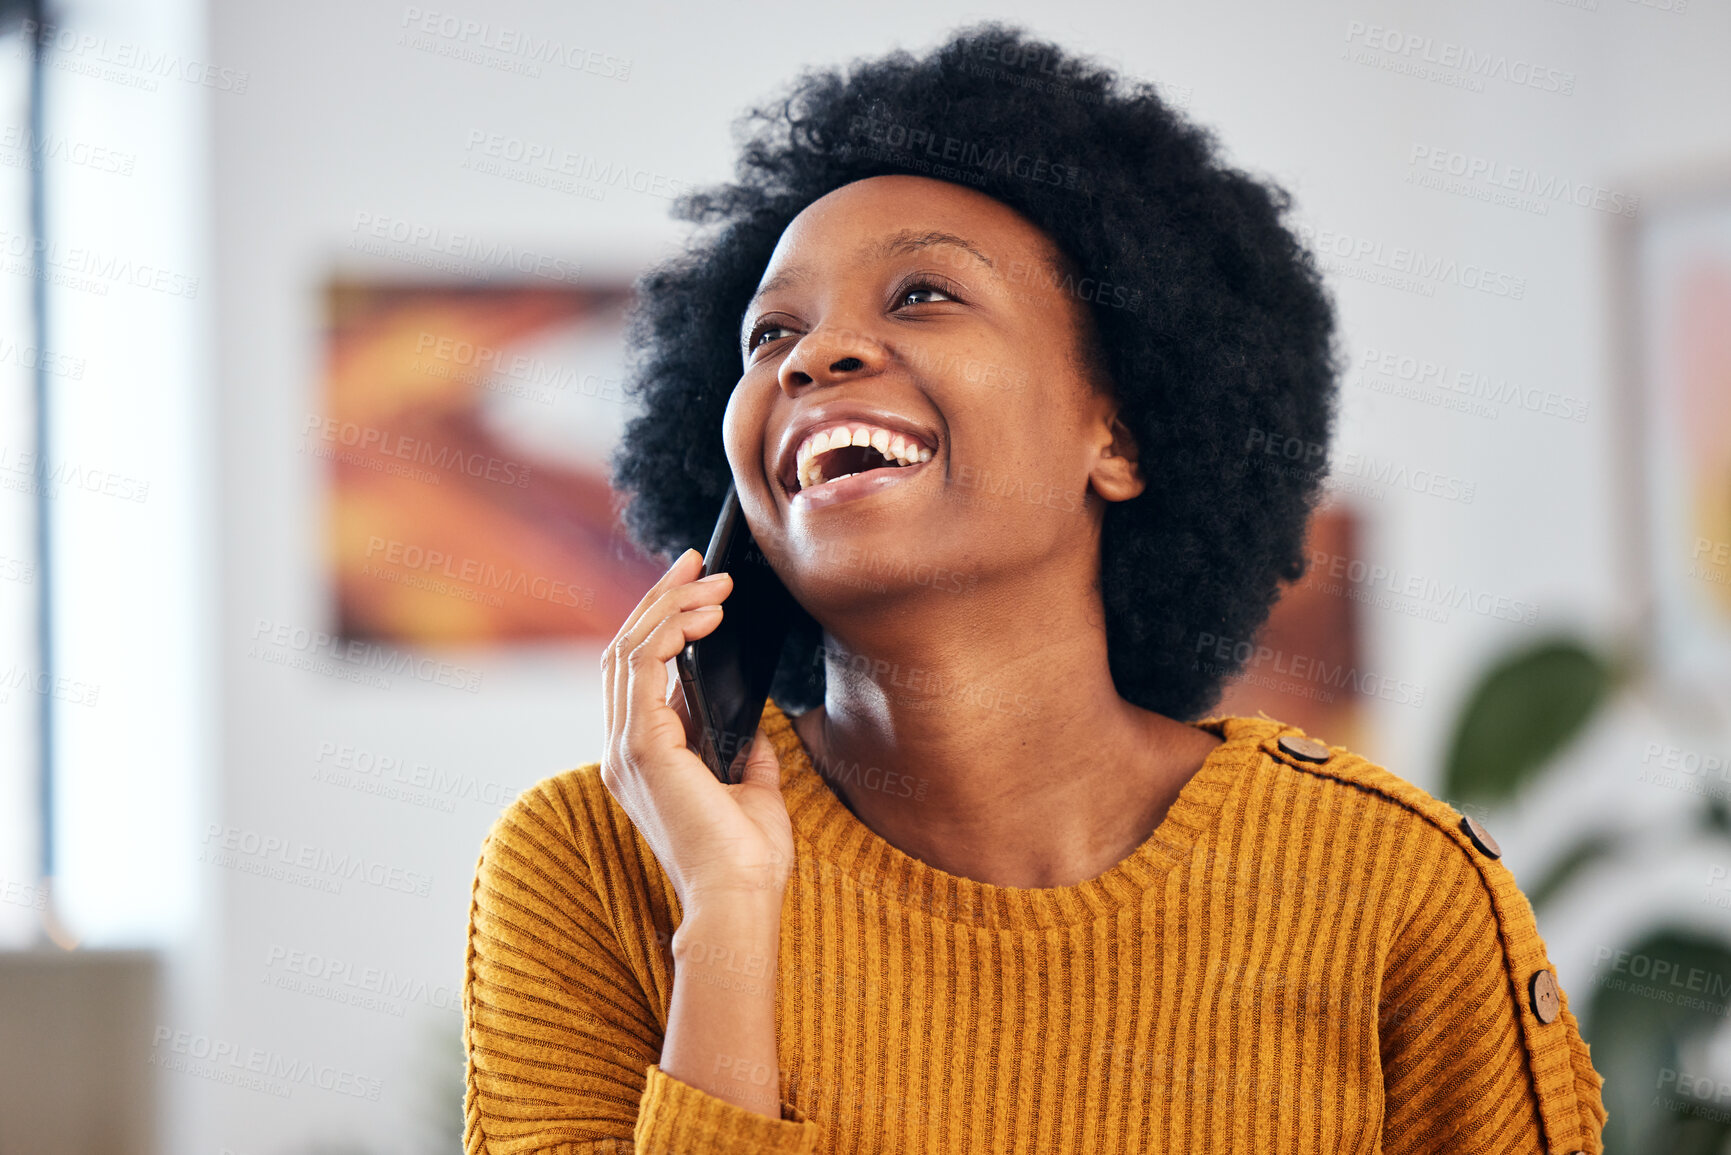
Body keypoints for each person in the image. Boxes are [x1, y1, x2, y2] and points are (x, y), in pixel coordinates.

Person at [461, 23, 1606, 1154]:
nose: (811, 358)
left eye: (921, 295)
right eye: (772, 334)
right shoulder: (592, 864)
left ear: (1118, 434)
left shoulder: (1393, 886)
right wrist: (725, 908)